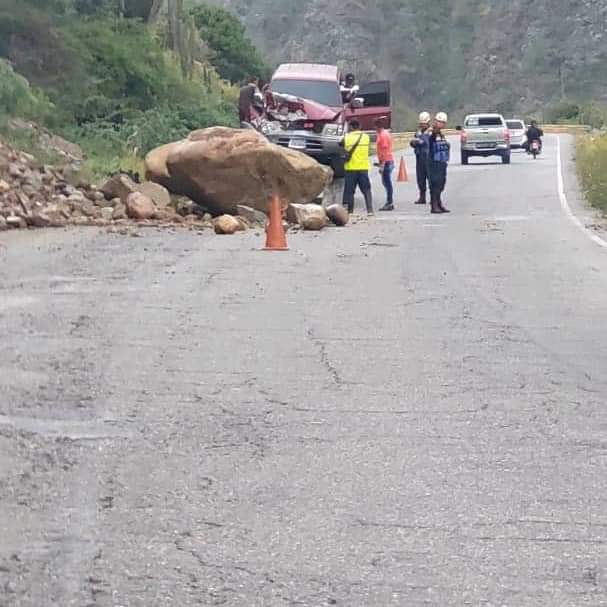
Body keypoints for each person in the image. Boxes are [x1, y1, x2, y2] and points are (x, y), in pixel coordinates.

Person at [341, 119, 373, 215]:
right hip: (363, 168)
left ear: (350, 127)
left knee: (350, 191)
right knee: (366, 189)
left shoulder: (346, 138)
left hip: (350, 169)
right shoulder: (366, 137)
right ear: (360, 126)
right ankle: (370, 210)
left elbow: (340, 145)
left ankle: (350, 211)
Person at [427, 112, 451, 214]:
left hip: (442, 162)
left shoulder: (441, 134)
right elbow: (429, 140)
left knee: (441, 184)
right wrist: (434, 130)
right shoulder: (431, 133)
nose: (442, 124)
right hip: (434, 162)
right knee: (435, 184)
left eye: (443, 123)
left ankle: (439, 203)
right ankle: (434, 205)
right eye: (440, 122)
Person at [409, 111, 431, 204]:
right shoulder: (418, 132)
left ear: (428, 123)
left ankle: (434, 197)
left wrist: (419, 142)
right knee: (420, 178)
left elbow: (425, 142)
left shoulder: (431, 132)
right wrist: (414, 142)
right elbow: (415, 142)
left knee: (431, 178)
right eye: (421, 123)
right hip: (419, 157)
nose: (422, 125)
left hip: (429, 157)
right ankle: (422, 197)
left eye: (424, 123)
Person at [375, 117, 395, 211]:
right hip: (386, 161)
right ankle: (389, 201)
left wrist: (382, 165)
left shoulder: (383, 136)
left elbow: (384, 151)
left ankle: (389, 202)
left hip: (386, 161)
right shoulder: (382, 134)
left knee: (387, 183)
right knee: (385, 182)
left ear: (377, 126)